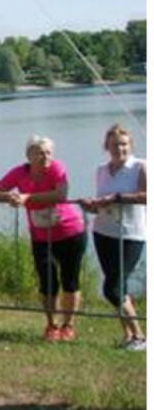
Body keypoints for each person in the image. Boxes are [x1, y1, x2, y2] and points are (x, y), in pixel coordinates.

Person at [0, 135, 87, 341]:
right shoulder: (19, 172)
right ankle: (51, 325)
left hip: (70, 232)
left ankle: (68, 326)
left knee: (70, 280)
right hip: (41, 236)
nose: (45, 157)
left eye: (49, 152)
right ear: (29, 155)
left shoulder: (57, 169)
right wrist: (11, 196)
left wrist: (27, 198)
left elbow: (61, 194)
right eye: (40, 152)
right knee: (47, 282)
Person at [80, 124, 147, 350]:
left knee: (112, 289)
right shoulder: (101, 170)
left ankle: (140, 336)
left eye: (124, 144)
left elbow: (146, 197)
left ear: (131, 145)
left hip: (131, 234)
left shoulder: (141, 167)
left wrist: (116, 198)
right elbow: (102, 202)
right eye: (115, 144)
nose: (120, 148)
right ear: (106, 146)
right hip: (103, 231)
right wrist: (92, 205)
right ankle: (129, 336)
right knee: (118, 286)